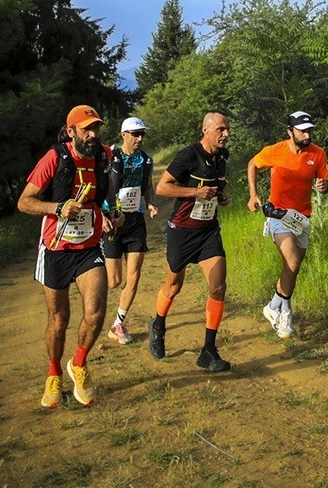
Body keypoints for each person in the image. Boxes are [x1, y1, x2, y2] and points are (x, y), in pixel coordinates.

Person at [16, 104, 111, 408]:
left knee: (95, 312)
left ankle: (79, 364)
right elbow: (24, 202)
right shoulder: (55, 157)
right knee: (59, 320)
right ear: (71, 131)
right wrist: (57, 208)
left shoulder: (105, 156)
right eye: (86, 129)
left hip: (88, 248)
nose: (92, 134)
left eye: (96, 128)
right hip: (56, 248)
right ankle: (54, 372)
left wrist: (111, 214)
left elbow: (105, 197)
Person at [149, 110, 233, 372]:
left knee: (218, 288)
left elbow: (214, 187)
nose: (225, 134)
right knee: (173, 286)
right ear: (206, 130)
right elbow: (162, 188)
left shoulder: (222, 158)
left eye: (227, 129)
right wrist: (196, 192)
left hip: (208, 231)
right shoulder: (188, 155)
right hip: (182, 231)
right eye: (220, 129)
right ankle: (158, 324)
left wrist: (219, 197)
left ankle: (208, 351)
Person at [247, 111, 328, 339]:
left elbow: (324, 181)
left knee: (292, 269)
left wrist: (323, 187)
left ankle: (277, 308)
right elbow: (253, 164)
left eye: (309, 130)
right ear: (290, 132)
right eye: (302, 130)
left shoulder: (318, 154)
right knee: (291, 261)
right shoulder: (275, 151)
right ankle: (280, 310)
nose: (307, 134)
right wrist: (253, 195)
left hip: (302, 218)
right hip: (278, 214)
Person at [104, 116, 158, 345]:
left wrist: (151, 203)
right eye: (135, 134)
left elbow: (147, 185)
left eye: (142, 134)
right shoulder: (110, 156)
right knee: (113, 281)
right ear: (123, 134)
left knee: (134, 276)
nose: (139, 138)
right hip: (113, 220)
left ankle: (118, 323)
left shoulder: (146, 160)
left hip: (135, 220)